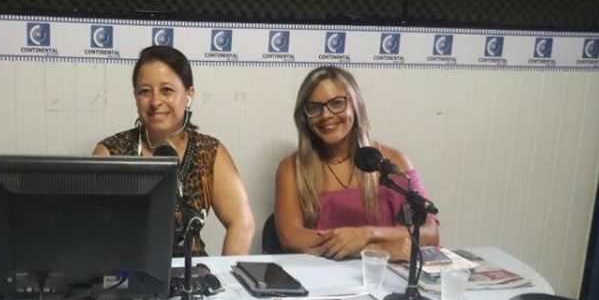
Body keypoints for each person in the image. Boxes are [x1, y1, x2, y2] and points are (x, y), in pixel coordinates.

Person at [93, 46, 255, 256]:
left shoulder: (209, 152)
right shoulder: (110, 153)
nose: (155, 101)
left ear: (188, 95)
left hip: (191, 270)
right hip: (126, 273)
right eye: (145, 91)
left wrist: (224, 272)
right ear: (135, 97)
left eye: (167, 90)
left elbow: (242, 223)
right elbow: (92, 230)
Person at [274, 66, 438, 260]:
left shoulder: (393, 161)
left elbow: (430, 233)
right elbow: (291, 237)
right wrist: (376, 250)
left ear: (355, 105)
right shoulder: (292, 169)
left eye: (336, 103)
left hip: (386, 274)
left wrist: (366, 234)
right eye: (314, 108)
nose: (326, 115)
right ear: (304, 117)